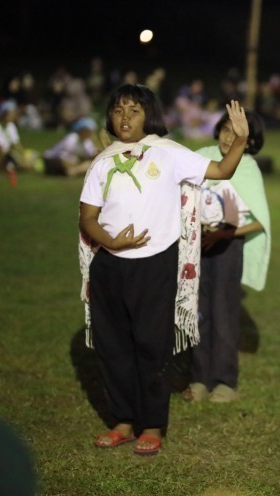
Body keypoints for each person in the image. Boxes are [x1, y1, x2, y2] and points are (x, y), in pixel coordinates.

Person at [78, 84, 249, 456]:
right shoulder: (104, 161)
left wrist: (239, 140)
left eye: (134, 110)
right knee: (113, 346)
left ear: (149, 115)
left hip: (155, 264)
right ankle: (123, 421)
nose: (125, 118)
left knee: (151, 346)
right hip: (109, 264)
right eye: (118, 110)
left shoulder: (170, 153)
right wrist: (110, 241)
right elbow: (87, 217)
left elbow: (222, 170)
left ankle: (152, 424)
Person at [182, 110, 271, 403]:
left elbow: (260, 221)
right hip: (196, 245)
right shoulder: (201, 158)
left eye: (237, 132)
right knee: (196, 311)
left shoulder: (248, 167)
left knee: (223, 313)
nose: (228, 137)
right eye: (225, 129)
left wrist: (225, 234)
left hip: (227, 249)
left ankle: (225, 381)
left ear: (250, 140)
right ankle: (198, 378)